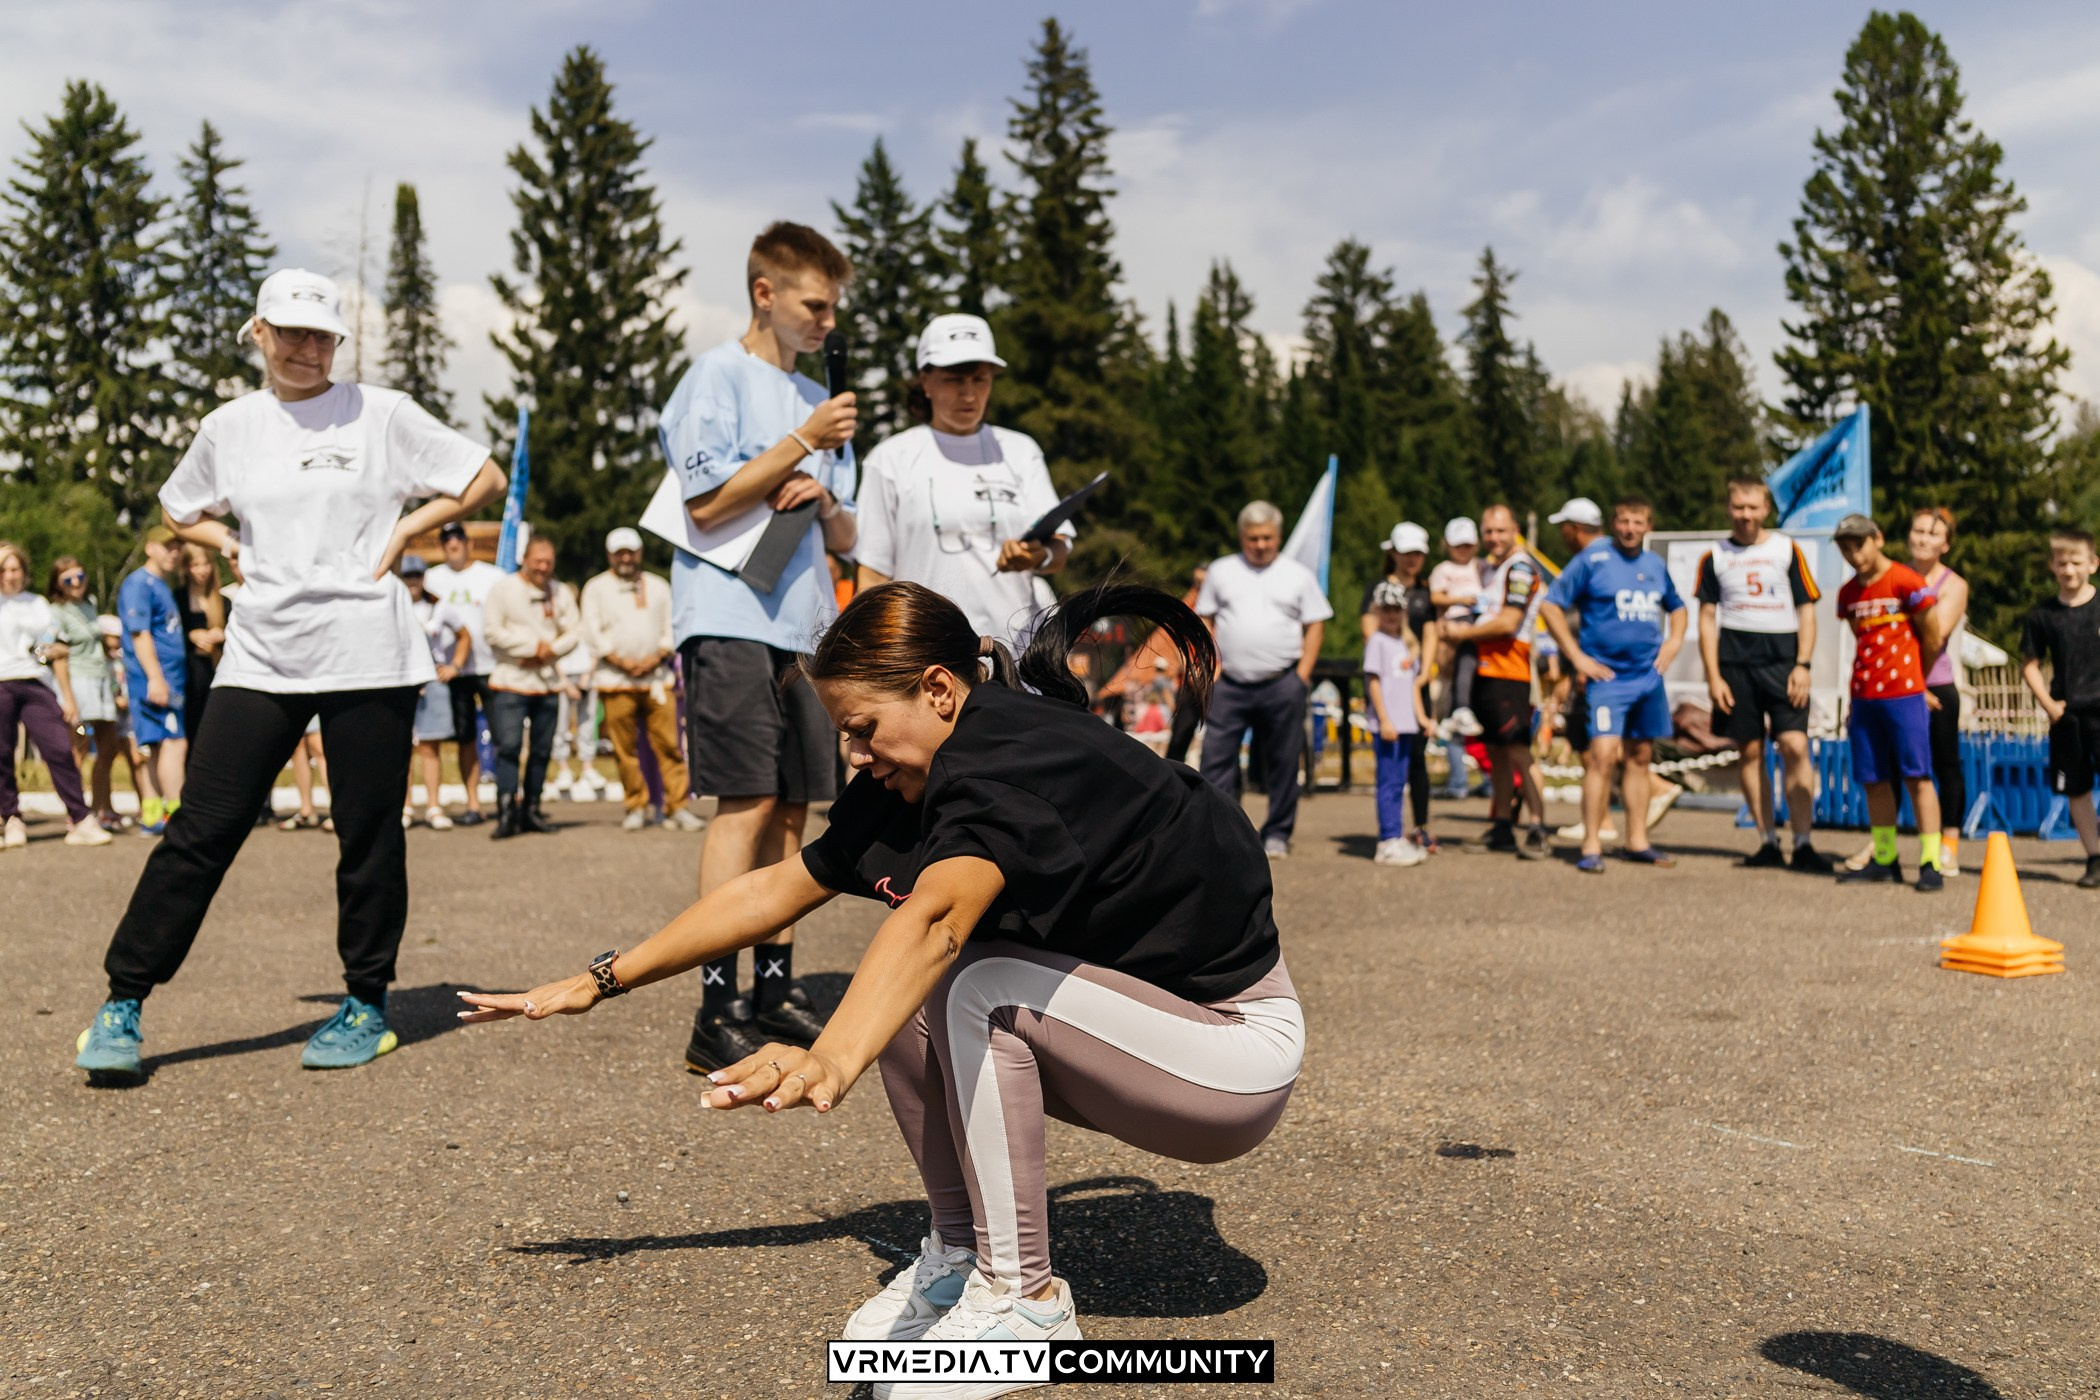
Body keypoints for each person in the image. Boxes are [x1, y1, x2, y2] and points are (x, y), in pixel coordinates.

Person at [458, 582, 1302, 1395]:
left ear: (939, 690)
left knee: (972, 980)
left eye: (862, 729)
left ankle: (1027, 1305)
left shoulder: (1011, 759)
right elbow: (779, 888)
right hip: (1147, 1040)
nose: (855, 756)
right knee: (919, 982)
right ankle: (963, 1259)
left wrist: (831, 1059)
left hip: (1230, 1057)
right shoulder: (916, 769)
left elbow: (936, 922)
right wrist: (601, 979)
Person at [72, 267, 506, 1085]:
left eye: (321, 335)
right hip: (262, 654)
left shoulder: (382, 414)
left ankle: (366, 1004)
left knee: (367, 833)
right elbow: (177, 506)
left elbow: (480, 477)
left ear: (337, 341)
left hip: (369, 653)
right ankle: (123, 999)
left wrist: (412, 523)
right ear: (259, 333)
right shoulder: (229, 425)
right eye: (290, 332)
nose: (306, 349)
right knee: (202, 831)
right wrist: (229, 544)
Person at [661, 221, 859, 1070]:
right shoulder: (716, 376)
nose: (828, 322)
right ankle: (717, 1005)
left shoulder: (814, 398)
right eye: (815, 305)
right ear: (764, 293)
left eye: (835, 308)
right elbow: (706, 503)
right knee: (743, 803)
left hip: (805, 625)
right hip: (729, 615)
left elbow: (848, 532)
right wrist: (802, 444)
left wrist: (822, 490)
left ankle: (776, 986)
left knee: (793, 808)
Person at [855, 313, 1074, 648]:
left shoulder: (1020, 451)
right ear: (925, 381)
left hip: (1015, 655)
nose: (969, 393)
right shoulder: (890, 459)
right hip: (925, 654)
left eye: (980, 379)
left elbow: (1059, 549)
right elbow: (872, 576)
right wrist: (875, 658)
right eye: (954, 380)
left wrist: (1036, 556)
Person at [1541, 497, 1688, 873]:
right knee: (1603, 756)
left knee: (1640, 756)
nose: (1629, 529)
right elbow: (1550, 605)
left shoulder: (1655, 565)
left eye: (1637, 522)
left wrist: (1673, 642)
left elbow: (1678, 606)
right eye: (1623, 521)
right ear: (1613, 523)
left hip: (1647, 677)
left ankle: (1637, 841)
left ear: (1648, 526)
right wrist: (1576, 657)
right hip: (1607, 679)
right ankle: (1591, 844)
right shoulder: (1593, 558)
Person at [1695, 478, 1829, 872]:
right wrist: (1713, 676)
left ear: (1765, 509)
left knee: (1794, 747)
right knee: (1749, 751)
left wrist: (1803, 664)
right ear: (1729, 508)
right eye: (1738, 507)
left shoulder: (1787, 549)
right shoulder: (1714, 556)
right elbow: (1706, 620)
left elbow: (1807, 610)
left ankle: (1803, 842)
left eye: (1753, 507)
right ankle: (1766, 840)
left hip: (1783, 660)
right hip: (1735, 662)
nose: (1746, 515)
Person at [1196, 500, 1332, 858]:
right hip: (1229, 685)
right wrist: (1211, 667)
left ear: (1278, 536)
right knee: (1216, 760)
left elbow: (1316, 622)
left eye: (1267, 538)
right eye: (1253, 538)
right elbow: (1205, 620)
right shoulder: (1221, 571)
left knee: (1284, 761)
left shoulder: (1298, 575)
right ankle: (1224, 832)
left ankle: (1277, 833)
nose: (1260, 545)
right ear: (1242, 536)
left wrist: (1303, 674)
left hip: (1282, 681)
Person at [1830, 513, 1943, 892]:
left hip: (1905, 695)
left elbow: (1932, 635)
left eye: (1859, 544)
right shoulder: (1847, 594)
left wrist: (1918, 680)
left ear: (1878, 538)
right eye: (1845, 547)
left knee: (1917, 776)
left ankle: (1930, 860)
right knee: (1874, 779)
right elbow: (1859, 637)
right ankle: (1884, 857)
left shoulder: (1906, 581)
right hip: (1864, 698)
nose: (1853, 554)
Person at [1442, 504, 1550, 859]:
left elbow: (1507, 622)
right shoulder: (1490, 569)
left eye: (1501, 531)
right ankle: (1502, 825)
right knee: (1497, 755)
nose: (1494, 537)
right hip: (1486, 672)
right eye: (1488, 531)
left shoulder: (1520, 567)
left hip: (1509, 671)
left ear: (1515, 529)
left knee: (1519, 752)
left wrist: (1462, 634)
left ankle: (1537, 828)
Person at [581, 526, 700, 832]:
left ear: (639, 553)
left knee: (670, 745)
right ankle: (637, 804)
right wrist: (620, 660)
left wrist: (655, 657)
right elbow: (592, 631)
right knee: (624, 749)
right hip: (615, 678)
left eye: (630, 551)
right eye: (619, 552)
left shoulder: (658, 586)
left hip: (656, 678)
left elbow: (672, 626)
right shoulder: (596, 588)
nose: (625, 558)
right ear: (610, 555)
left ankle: (678, 806)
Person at [0, 541, 111, 849]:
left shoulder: (37, 604)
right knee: (2, 753)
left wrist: (68, 697)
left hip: (36, 681)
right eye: (5, 569)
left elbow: (55, 649)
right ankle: (11, 819)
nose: (11, 575)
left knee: (60, 748)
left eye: (16, 568)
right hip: (1, 683)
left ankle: (80, 819)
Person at [482, 535, 580, 839]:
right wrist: (530, 647)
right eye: (538, 561)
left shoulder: (560, 591)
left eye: (548, 562)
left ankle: (532, 810)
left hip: (548, 682)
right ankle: (506, 811)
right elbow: (491, 632)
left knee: (541, 750)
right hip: (511, 679)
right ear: (525, 559)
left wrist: (549, 651)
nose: (543, 567)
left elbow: (575, 631)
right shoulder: (504, 588)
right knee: (509, 748)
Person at [2019, 527, 2100, 889]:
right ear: (2052, 565)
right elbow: (2030, 664)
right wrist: (2050, 706)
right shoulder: (2042, 616)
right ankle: (2095, 857)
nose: (2069, 569)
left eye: (2076, 562)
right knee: (2077, 789)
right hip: (2067, 716)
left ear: (2093, 564)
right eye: (2062, 562)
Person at [1360, 523, 1440, 848]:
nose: (1413, 559)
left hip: (1414, 678)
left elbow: (1431, 633)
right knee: (1391, 772)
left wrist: (1422, 673)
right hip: (1392, 679)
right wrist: (1395, 663)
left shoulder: (1424, 591)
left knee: (1417, 760)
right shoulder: (1378, 589)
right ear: (1393, 553)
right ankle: (1390, 833)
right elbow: (1371, 631)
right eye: (1407, 553)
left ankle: (1418, 826)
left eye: (1418, 553)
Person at [423, 521, 504, 826]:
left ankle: (509, 796)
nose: (452, 544)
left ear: (469, 544)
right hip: (452, 672)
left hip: (492, 666)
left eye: (458, 538)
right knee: (465, 738)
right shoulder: (430, 578)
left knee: (504, 737)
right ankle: (474, 803)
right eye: (446, 540)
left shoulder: (492, 576)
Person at [1908, 507, 1969, 876]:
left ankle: (1949, 845)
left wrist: (1917, 685)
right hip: (1897, 687)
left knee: (1945, 765)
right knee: (1895, 767)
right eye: (1918, 531)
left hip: (1936, 686)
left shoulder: (1953, 584)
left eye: (1933, 534)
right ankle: (1883, 843)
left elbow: (1935, 637)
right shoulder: (1894, 577)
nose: (1923, 539)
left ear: (1945, 545)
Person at [118, 526, 190, 835]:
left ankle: (153, 813)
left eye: (177, 547)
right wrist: (155, 678)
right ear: (150, 548)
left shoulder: (161, 584)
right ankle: (175, 813)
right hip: (155, 680)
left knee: (158, 746)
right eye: (166, 546)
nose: (173, 552)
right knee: (174, 743)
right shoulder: (139, 584)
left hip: (168, 679)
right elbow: (139, 633)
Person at [48, 556, 128, 829]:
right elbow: (49, 652)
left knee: (108, 747)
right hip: (78, 686)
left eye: (79, 577)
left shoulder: (91, 605)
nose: (75, 583)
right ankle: (77, 811)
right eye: (67, 579)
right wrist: (68, 699)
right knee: (79, 745)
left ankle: (101, 807)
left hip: (102, 682)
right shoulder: (56, 611)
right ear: (58, 583)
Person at [1363, 580, 1429, 867]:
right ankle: (1387, 840)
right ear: (1377, 611)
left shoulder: (1402, 644)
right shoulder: (1377, 642)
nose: (1392, 615)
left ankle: (1396, 835)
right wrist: (1384, 719)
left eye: (1397, 609)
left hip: (1405, 725)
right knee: (1389, 783)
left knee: (1399, 782)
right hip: (1388, 726)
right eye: (1386, 609)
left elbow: (1412, 685)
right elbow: (1373, 683)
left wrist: (1422, 716)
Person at [402, 554, 467, 830]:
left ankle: (433, 805)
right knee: (403, 747)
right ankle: (404, 806)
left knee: (430, 747)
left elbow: (465, 635)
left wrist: (455, 666)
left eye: (417, 575)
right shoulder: (393, 605)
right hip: (402, 681)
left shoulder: (440, 607)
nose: (413, 581)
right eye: (408, 576)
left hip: (432, 679)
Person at [1429, 518, 1486, 787]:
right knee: (1455, 703)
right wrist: (1461, 600)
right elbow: (1436, 598)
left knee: (1480, 715)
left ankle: (1489, 781)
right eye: (1458, 545)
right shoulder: (1443, 569)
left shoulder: (1482, 566)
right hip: (1457, 628)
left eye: (1467, 544)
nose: (1463, 550)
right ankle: (1458, 781)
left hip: (1482, 628)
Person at [178, 542, 227, 745]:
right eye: (195, 565)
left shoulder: (224, 602)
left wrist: (223, 636)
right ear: (187, 568)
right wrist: (190, 636)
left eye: (205, 564)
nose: (201, 571)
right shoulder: (177, 599)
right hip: (189, 678)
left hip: (216, 673)